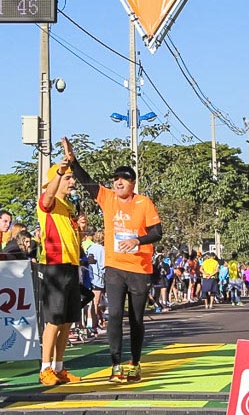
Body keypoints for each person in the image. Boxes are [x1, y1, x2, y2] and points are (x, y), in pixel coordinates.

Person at [63, 137, 162, 384]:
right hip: (115, 266)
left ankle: (135, 363)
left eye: (123, 179)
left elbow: (157, 232)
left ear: (132, 183)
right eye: (115, 179)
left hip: (139, 268)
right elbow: (86, 182)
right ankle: (116, 364)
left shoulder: (143, 202)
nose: (117, 182)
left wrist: (138, 241)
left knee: (136, 318)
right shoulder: (107, 198)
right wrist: (73, 160)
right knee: (115, 314)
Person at [35, 161, 83, 385]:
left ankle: (59, 367)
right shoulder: (49, 201)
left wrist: (80, 229)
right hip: (54, 266)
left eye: (72, 178)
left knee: (67, 321)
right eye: (67, 178)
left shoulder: (68, 206)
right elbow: (47, 197)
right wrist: (60, 171)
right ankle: (45, 368)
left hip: (71, 265)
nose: (72, 181)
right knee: (53, 320)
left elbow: (73, 238)